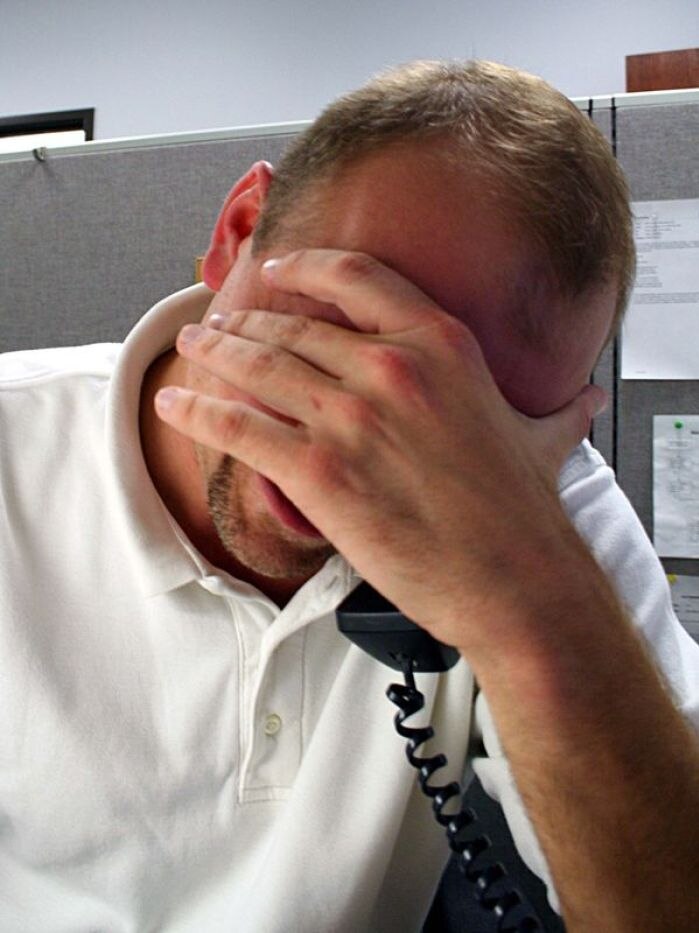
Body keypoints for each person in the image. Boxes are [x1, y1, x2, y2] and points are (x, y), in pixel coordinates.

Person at [1, 59, 697, 933]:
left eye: (464, 425)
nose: (357, 454)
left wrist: (527, 597)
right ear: (239, 233)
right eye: (341, 342)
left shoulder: (542, 512)